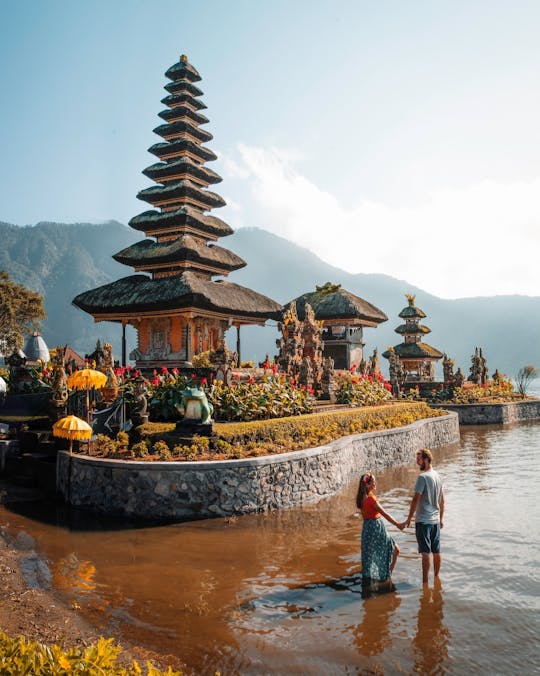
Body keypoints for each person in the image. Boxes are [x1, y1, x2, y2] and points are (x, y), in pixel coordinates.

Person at [404, 448, 445, 584]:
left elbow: (415, 499)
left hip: (423, 521)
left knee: (425, 552)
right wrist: (441, 519)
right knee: (436, 551)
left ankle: (425, 583)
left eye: (419, 459)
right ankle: (437, 578)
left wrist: (409, 518)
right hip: (435, 521)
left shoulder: (423, 478)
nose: (417, 462)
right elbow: (442, 500)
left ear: (427, 460)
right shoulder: (438, 476)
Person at [356, 472, 401, 586]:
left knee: (370, 556)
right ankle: (387, 575)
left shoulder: (361, 499)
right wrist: (398, 524)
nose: (375, 483)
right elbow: (385, 514)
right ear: (367, 485)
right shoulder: (371, 500)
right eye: (373, 482)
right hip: (377, 528)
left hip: (367, 529)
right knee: (396, 550)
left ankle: (373, 579)